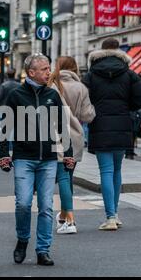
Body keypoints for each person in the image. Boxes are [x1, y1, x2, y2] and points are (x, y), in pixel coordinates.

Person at [0, 53, 74, 266]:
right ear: (31, 72)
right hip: (24, 158)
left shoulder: (52, 95)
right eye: (44, 69)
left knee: (45, 206)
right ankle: (23, 239)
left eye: (48, 68)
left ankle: (43, 250)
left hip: (49, 159)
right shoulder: (15, 95)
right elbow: (6, 127)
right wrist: (5, 154)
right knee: (23, 203)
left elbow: (62, 126)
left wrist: (67, 154)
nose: (48, 72)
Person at [83, 38, 141, 231]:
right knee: (117, 170)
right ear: (118, 51)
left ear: (100, 51)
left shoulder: (91, 74)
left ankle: (110, 216)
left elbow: (84, 98)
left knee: (106, 171)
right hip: (122, 124)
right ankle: (115, 213)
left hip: (99, 124)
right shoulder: (129, 74)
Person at [48, 56, 95, 234]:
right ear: (75, 68)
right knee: (67, 178)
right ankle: (64, 216)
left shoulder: (52, 86)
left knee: (62, 178)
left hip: (55, 136)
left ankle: (69, 219)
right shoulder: (81, 88)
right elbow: (88, 116)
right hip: (74, 137)